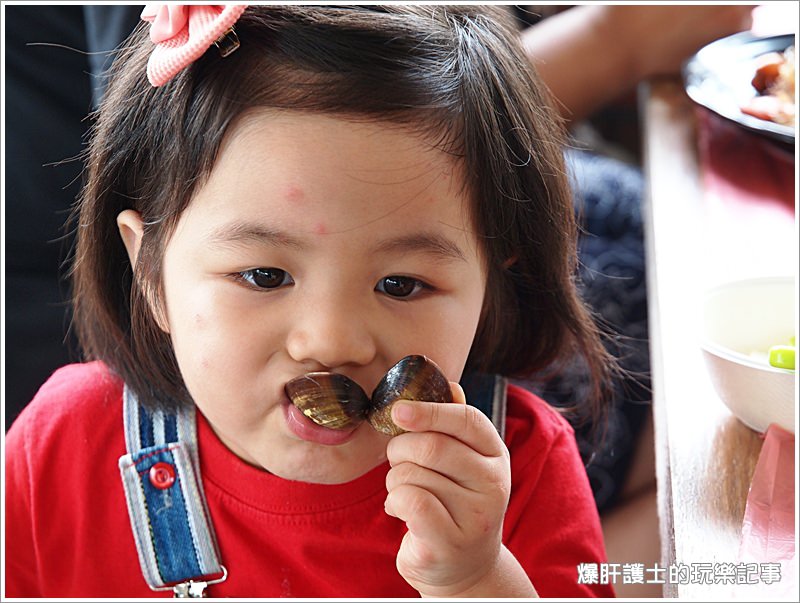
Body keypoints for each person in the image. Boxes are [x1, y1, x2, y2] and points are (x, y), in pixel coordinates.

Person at [5, 5, 619, 598]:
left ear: (493, 281)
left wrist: (475, 580)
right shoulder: (63, 448)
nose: (333, 341)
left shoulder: (522, 471)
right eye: (266, 276)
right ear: (150, 271)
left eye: (400, 285)